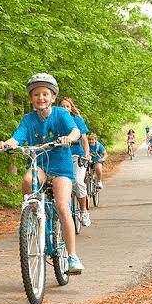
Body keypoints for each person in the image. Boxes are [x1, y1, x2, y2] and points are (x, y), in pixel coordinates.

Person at [0, 73, 84, 273]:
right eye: (36, 94)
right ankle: (32, 215)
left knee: (62, 205)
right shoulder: (29, 119)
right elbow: (17, 139)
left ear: (52, 97)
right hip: (40, 163)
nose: (40, 98)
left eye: (45, 94)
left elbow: (75, 131)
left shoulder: (61, 114)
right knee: (27, 179)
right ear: (31, 99)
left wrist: (69, 138)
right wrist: (5, 144)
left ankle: (72, 256)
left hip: (61, 166)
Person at [59, 97, 91, 227]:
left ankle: (83, 211)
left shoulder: (77, 120)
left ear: (71, 108)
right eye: (62, 106)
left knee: (78, 182)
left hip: (77, 156)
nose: (65, 108)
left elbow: (84, 139)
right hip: (62, 156)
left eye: (67, 106)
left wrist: (87, 154)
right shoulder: (56, 121)